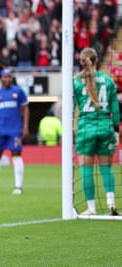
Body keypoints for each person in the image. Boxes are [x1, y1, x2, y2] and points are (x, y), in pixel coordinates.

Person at [73, 47, 119, 216]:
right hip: (106, 128)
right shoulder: (108, 81)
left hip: (86, 129)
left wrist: (72, 129)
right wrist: (115, 130)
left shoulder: (76, 82)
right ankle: (111, 202)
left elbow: (71, 109)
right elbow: (115, 109)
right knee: (106, 168)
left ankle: (91, 208)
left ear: (81, 61)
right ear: (97, 60)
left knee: (86, 170)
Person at [0, 65, 29, 195]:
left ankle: (18, 186)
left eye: (9, 77)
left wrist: (25, 127)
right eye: (4, 77)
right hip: (0, 129)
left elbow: (25, 109)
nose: (7, 79)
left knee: (16, 154)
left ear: (12, 78)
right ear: (0, 78)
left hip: (15, 129)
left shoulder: (18, 92)